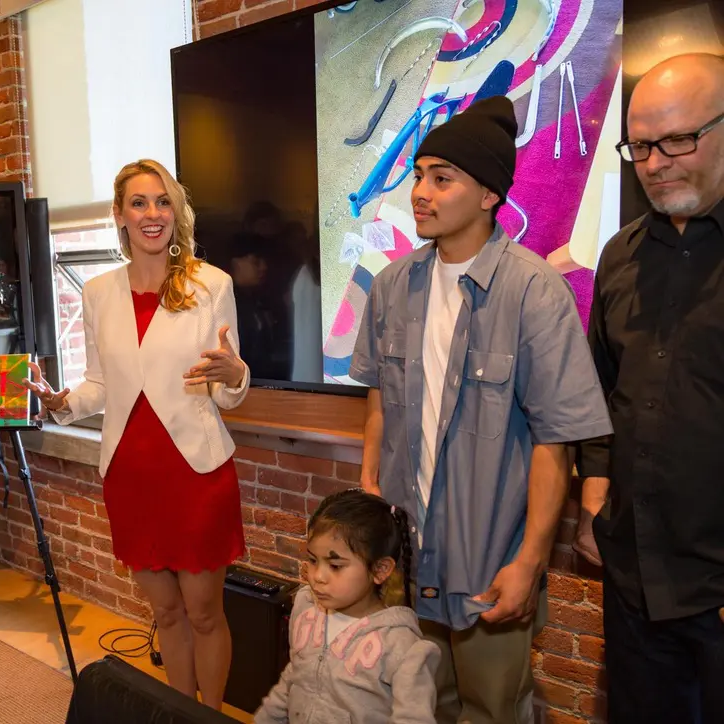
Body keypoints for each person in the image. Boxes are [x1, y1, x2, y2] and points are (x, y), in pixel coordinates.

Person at [350, 97, 612, 724]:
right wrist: (368, 483)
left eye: (442, 178)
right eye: (418, 176)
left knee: (494, 710)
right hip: (407, 552)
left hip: (487, 557)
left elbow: (556, 442)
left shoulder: (533, 290)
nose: (421, 192)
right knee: (416, 702)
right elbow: (380, 397)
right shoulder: (392, 286)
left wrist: (528, 563)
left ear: (490, 193)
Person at [24, 159, 250, 711]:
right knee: (166, 613)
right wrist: (62, 403)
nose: (152, 214)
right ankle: (178, 713)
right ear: (120, 215)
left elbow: (229, 383)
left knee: (203, 612)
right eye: (139, 203)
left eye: (163, 201)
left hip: (195, 471)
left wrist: (235, 375)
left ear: (176, 212)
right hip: (131, 475)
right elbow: (102, 383)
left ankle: (209, 716)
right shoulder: (99, 291)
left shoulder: (210, 284)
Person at [575, 53, 724, 724]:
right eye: (640, 147)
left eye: (678, 140)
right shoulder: (621, 254)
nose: (656, 163)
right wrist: (596, 495)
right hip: (633, 576)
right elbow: (603, 387)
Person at [254, 490, 438, 723]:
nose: (317, 576)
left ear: (380, 570)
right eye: (312, 560)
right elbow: (294, 678)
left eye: (335, 566)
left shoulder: (401, 646)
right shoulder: (306, 609)